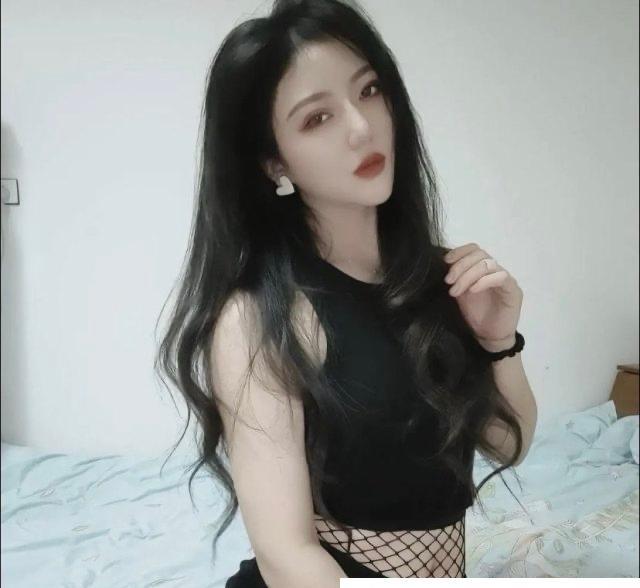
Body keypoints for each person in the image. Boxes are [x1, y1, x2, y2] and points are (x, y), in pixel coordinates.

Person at [155, 0, 532, 584]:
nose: (361, 127)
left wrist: (497, 341)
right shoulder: (260, 317)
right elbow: (285, 554)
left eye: (369, 90)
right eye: (317, 119)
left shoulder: (442, 279)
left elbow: (509, 445)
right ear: (274, 162)